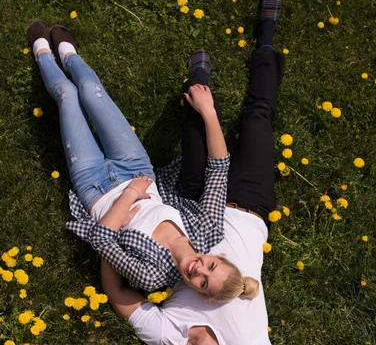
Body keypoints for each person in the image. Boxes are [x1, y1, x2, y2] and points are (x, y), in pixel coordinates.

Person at [101, 0, 296, 345]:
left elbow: (120, 296)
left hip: (196, 199)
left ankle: (199, 79)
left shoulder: (172, 338)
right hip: (249, 202)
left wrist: (110, 236)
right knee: (258, 118)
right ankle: (266, 38)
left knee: (195, 114)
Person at [28, 22, 258, 300]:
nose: (199, 271)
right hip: (134, 165)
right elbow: (218, 170)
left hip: (94, 189)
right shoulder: (207, 230)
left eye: (204, 283)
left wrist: (130, 196)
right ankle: (68, 53)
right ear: (216, 257)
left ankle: (41, 52)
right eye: (211, 266)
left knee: (67, 96)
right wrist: (208, 112)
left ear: (199, 293)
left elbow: (101, 239)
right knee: (90, 90)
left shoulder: (152, 276)